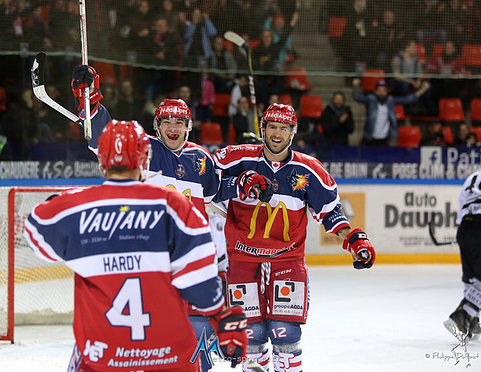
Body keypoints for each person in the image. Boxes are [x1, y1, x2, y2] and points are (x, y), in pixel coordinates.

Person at [23, 119, 248, 371]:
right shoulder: (174, 205)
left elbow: (35, 234)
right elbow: (200, 285)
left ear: (102, 159)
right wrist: (221, 318)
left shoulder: (77, 207)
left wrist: (60, 202)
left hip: (103, 356)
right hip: (169, 356)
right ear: (145, 158)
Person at [69, 65, 224, 371]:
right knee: (138, 344)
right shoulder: (142, 150)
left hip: (188, 262)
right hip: (147, 262)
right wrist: (90, 102)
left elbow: (219, 197)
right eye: (166, 121)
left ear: (189, 126)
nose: (173, 127)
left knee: (194, 348)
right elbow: (103, 137)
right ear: (156, 126)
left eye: (180, 121)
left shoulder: (202, 159)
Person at [213, 103, 376, 371]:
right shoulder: (236, 159)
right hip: (243, 261)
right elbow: (205, 182)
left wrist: (354, 239)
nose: (277, 134)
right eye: (272, 127)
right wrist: (238, 183)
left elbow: (330, 211)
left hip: (287, 261)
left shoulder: (309, 170)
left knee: (285, 333)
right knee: (251, 338)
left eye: (284, 128)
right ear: (262, 129)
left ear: (293, 132)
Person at [444, 168, 481, 342]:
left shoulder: (473, 176)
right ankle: (464, 315)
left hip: (465, 228)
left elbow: (462, 203)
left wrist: (465, 232)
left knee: (472, 278)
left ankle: (472, 321)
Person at [353, 78, 429, 146]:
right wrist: (356, 86)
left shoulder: (390, 100)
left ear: (387, 92)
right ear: (375, 91)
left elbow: (408, 99)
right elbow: (357, 98)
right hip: (369, 137)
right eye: (379, 91)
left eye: (383, 91)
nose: (381, 93)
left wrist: (422, 90)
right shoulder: (371, 99)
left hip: (385, 139)